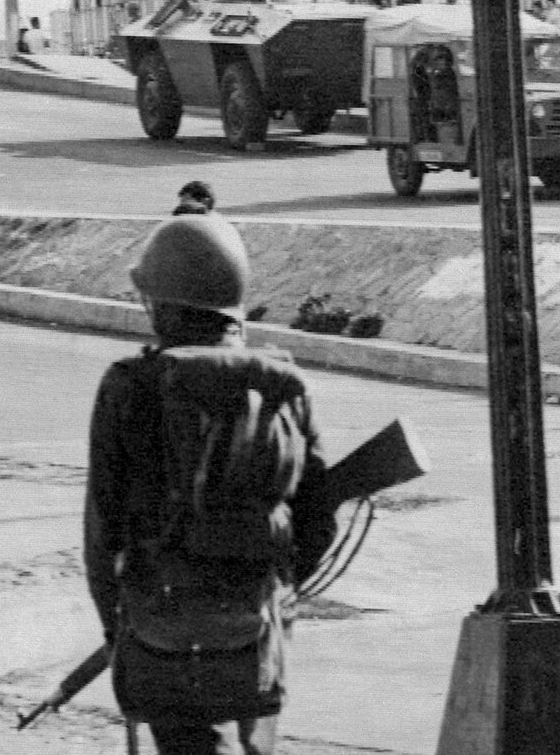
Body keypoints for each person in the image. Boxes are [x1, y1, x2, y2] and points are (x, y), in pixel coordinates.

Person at [85, 215, 338, 755]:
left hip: (159, 629)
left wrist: (117, 627)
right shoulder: (281, 386)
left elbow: (101, 532)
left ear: (162, 306)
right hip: (255, 627)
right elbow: (319, 518)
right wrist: (278, 589)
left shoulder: (129, 386)